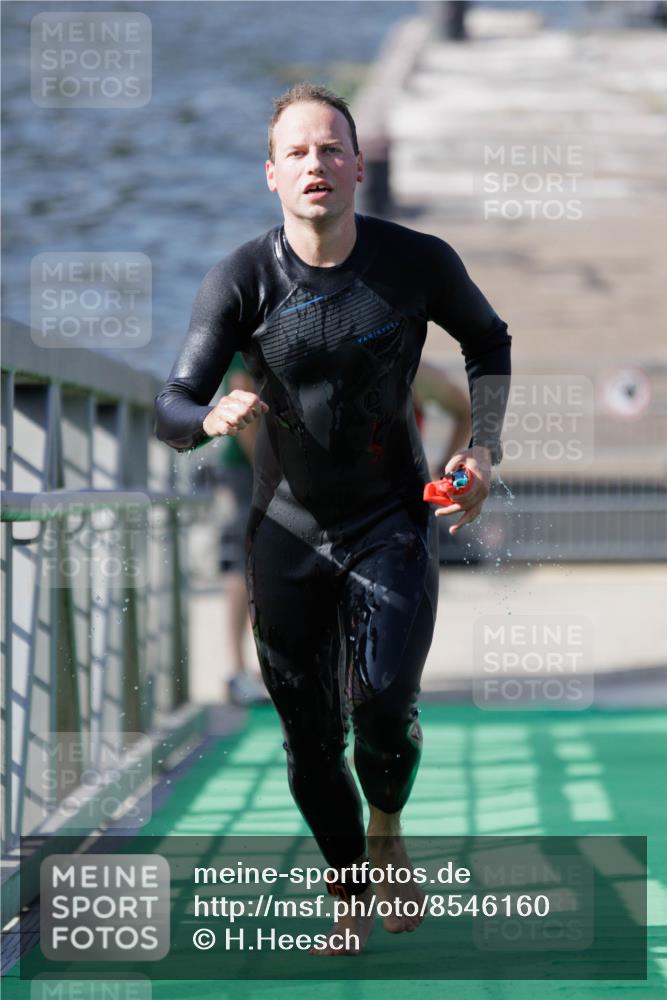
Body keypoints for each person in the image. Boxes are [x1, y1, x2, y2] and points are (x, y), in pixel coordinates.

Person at [154, 82, 511, 955]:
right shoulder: (241, 278)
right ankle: (347, 879)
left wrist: (485, 452)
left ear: (356, 165)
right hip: (285, 530)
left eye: (330, 148)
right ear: (271, 174)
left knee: (385, 706)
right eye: (298, 152)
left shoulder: (415, 261)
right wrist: (205, 421)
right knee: (311, 741)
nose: (316, 164)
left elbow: (488, 340)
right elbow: (171, 404)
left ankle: (386, 833)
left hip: (388, 518)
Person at [216, 352, 270, 706]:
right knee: (243, 564)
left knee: (256, 564)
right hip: (249, 469)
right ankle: (238, 672)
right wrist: (265, 471)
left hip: (265, 468)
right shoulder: (244, 335)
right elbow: (239, 400)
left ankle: (256, 672)